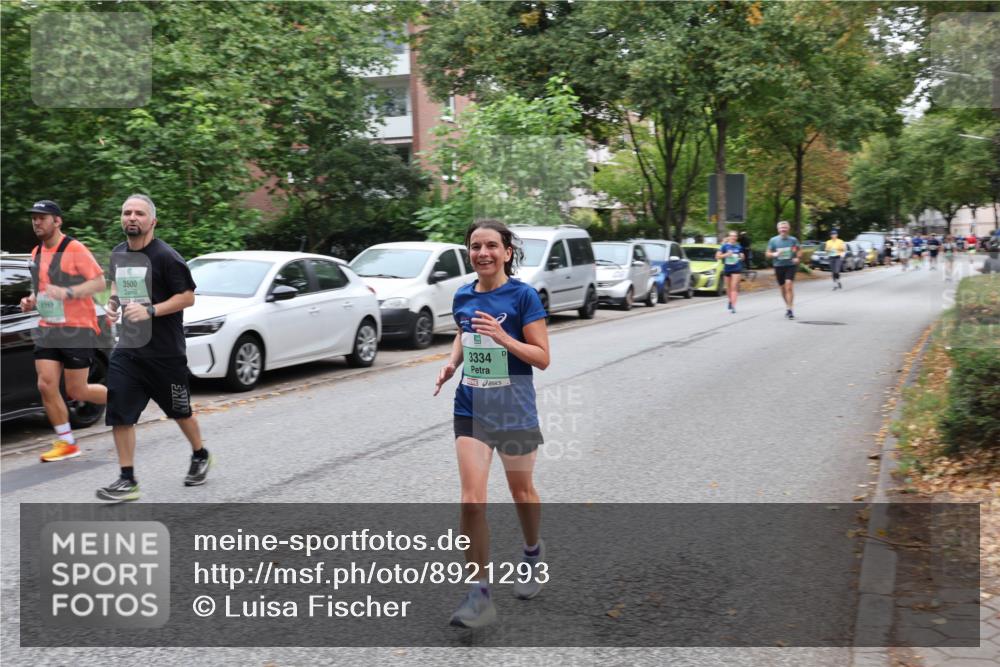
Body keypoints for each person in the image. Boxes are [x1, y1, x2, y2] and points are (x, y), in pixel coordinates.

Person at [433, 219, 550, 628]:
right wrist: (451, 363)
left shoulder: (523, 296)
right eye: (475, 246)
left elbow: (541, 357)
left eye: (491, 246)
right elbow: (465, 334)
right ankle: (479, 594)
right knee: (471, 500)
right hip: (471, 406)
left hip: (514, 407)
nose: (482, 253)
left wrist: (504, 338)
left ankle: (532, 553)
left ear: (507, 252)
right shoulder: (463, 294)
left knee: (521, 491)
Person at [97, 194, 210, 502]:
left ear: (152, 221)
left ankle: (200, 454)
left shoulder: (166, 257)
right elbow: (119, 286)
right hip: (129, 350)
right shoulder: (120, 253)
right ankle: (127, 478)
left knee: (180, 411)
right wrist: (112, 304)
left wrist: (151, 311)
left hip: (165, 354)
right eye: (126, 212)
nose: (132, 217)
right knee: (119, 411)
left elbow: (187, 297)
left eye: (139, 213)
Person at [19, 200, 108, 462]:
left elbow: (99, 282)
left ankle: (125, 396)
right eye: (34, 218)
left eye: (42, 218)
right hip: (49, 327)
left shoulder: (75, 249)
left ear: (57, 221)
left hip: (77, 328)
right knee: (45, 385)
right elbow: (41, 288)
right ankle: (67, 442)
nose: (36, 222)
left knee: (77, 391)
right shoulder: (35, 253)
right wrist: (31, 300)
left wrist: (68, 292)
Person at [766, 221, 801, 319]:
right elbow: (767, 253)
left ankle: (790, 309)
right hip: (778, 266)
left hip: (790, 266)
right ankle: (788, 306)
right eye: (781, 228)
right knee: (782, 289)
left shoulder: (793, 240)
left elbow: (798, 250)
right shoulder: (773, 240)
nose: (783, 229)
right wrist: (774, 254)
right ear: (778, 229)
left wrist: (797, 258)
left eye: (785, 228)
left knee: (789, 285)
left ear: (788, 229)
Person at [716, 231, 744, 312]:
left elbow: (742, 257)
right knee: (728, 288)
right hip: (727, 269)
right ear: (729, 237)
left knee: (734, 287)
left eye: (735, 236)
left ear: (736, 237)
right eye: (732, 236)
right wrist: (726, 255)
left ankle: (733, 306)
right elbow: (717, 256)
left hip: (737, 268)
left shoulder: (739, 246)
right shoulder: (724, 246)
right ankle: (730, 300)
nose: (733, 237)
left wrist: (742, 256)